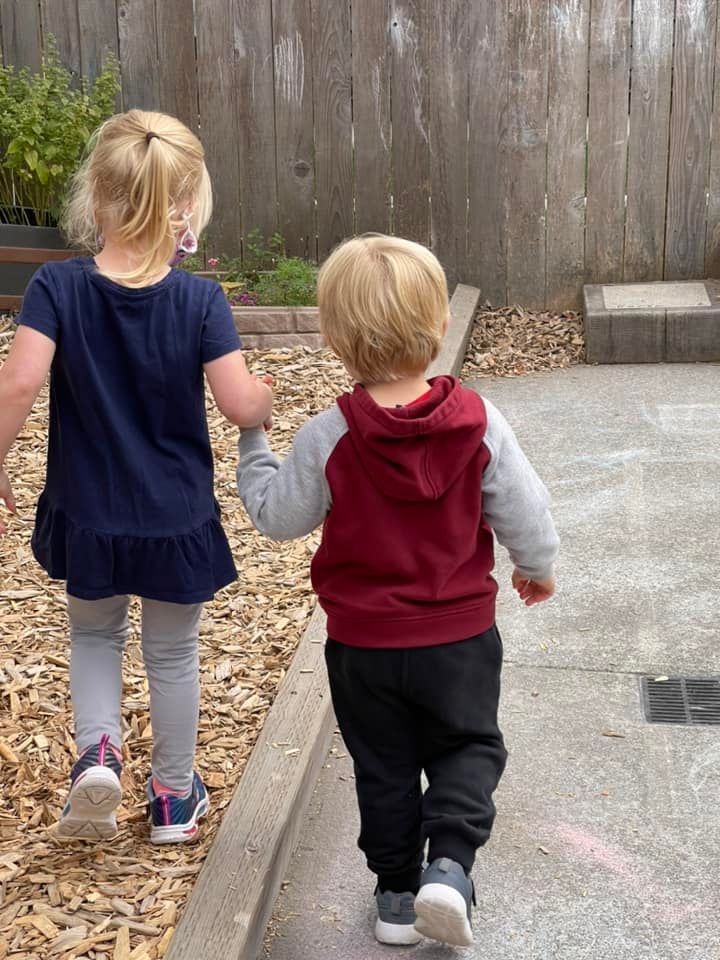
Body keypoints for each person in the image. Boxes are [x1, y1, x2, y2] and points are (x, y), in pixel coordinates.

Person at [236, 234, 559, 947]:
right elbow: (524, 509)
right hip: (460, 639)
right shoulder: (478, 423)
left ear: (330, 337)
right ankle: (449, 865)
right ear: (441, 326)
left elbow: (278, 518)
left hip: (364, 646)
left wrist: (252, 440)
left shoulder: (330, 437)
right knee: (467, 746)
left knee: (383, 766)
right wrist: (535, 565)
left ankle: (394, 898)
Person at [0, 109, 273, 844]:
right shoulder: (200, 301)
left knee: (93, 636)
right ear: (186, 206)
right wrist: (265, 401)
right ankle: (173, 800)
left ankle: (97, 755)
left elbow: (20, 383)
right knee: (172, 651)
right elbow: (238, 401)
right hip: (173, 517)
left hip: (86, 510)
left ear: (96, 198)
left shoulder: (57, 288)